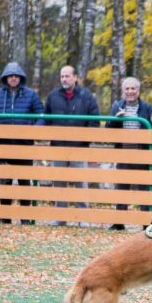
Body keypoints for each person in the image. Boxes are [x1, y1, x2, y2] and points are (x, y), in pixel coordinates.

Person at [0, 62, 44, 224]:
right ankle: (5, 217)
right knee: (4, 181)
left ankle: (25, 218)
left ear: (21, 78)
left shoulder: (31, 95)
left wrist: (33, 131)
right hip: (3, 145)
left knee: (24, 181)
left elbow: (41, 116)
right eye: (11, 76)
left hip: (24, 145)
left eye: (16, 76)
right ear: (6, 78)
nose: (14, 78)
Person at [44, 65, 100, 226]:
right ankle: (60, 217)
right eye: (62, 76)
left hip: (79, 147)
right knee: (59, 181)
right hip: (58, 146)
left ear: (75, 77)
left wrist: (85, 139)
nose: (64, 79)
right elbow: (46, 118)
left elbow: (94, 120)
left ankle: (82, 218)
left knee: (80, 181)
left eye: (67, 76)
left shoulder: (86, 96)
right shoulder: (53, 96)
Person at [107, 76, 152, 230]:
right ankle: (119, 221)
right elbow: (108, 129)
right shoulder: (117, 106)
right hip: (123, 153)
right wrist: (116, 119)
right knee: (122, 188)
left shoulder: (147, 108)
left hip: (142, 153)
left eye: (133, 88)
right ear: (123, 91)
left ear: (138, 90)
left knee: (143, 189)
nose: (130, 92)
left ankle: (145, 222)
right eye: (127, 89)